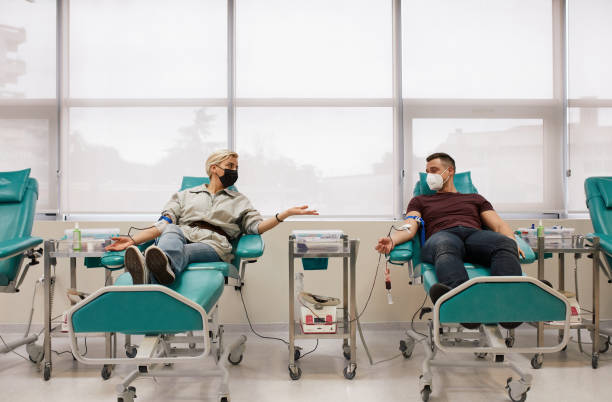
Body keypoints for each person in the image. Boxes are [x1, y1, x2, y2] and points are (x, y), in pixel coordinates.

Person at [106, 149, 318, 285]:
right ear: (214, 169)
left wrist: (285, 214)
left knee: (184, 252)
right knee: (171, 230)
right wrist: (133, 240)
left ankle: (150, 272)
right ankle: (163, 270)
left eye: (236, 167)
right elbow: (164, 224)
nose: (235, 171)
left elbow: (257, 227)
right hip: (182, 234)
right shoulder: (185, 195)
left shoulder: (239, 200)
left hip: (213, 244)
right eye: (230, 166)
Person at [375, 152, 525, 307]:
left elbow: (499, 225)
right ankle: (464, 303)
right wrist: (392, 240)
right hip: (442, 236)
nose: (429, 176)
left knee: (503, 243)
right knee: (445, 245)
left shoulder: (475, 198)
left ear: (450, 171)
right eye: (427, 172)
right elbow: (409, 226)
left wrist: (511, 242)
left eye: (434, 170)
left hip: (474, 236)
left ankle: (508, 302)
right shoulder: (420, 200)